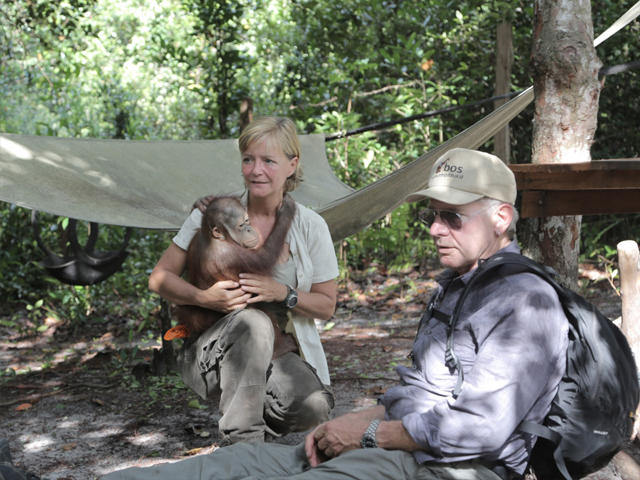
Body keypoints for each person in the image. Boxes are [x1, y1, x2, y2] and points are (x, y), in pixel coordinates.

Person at [104, 148, 569, 480]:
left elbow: (480, 430)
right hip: (400, 446)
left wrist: (370, 434)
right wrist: (348, 423)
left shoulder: (525, 301)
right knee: (223, 466)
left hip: (445, 467)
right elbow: (421, 393)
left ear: (501, 218)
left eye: (452, 217)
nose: (434, 229)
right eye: (433, 215)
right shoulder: (457, 287)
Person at [148, 116, 337, 445]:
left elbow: (326, 305)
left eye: (268, 161)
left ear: (292, 165)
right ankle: (242, 446)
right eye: (248, 159)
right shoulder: (216, 214)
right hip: (211, 350)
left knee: (314, 406)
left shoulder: (310, 225)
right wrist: (204, 298)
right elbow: (158, 279)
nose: (255, 170)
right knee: (252, 322)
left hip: (276, 350)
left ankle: (248, 418)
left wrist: (283, 293)